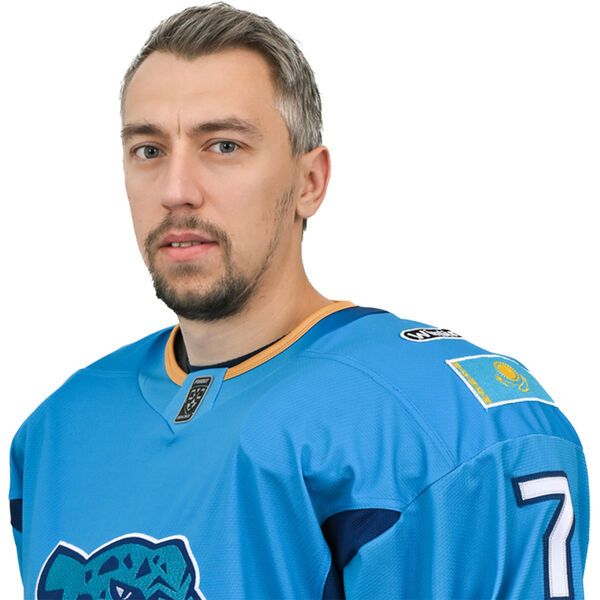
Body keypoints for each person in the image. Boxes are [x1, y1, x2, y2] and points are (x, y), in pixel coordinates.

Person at [9, 3, 589, 599]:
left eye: (224, 145)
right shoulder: (58, 431)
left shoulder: (421, 418)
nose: (176, 191)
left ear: (310, 182)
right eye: (149, 150)